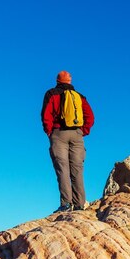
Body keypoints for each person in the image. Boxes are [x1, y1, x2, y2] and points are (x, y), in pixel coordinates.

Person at [41, 71, 95, 212]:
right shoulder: (79, 97)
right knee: (77, 170)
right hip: (77, 135)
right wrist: (83, 131)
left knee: (62, 169)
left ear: (57, 80)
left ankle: (66, 204)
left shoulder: (51, 94)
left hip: (59, 133)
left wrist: (49, 132)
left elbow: (46, 115)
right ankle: (79, 205)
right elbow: (90, 116)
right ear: (70, 81)